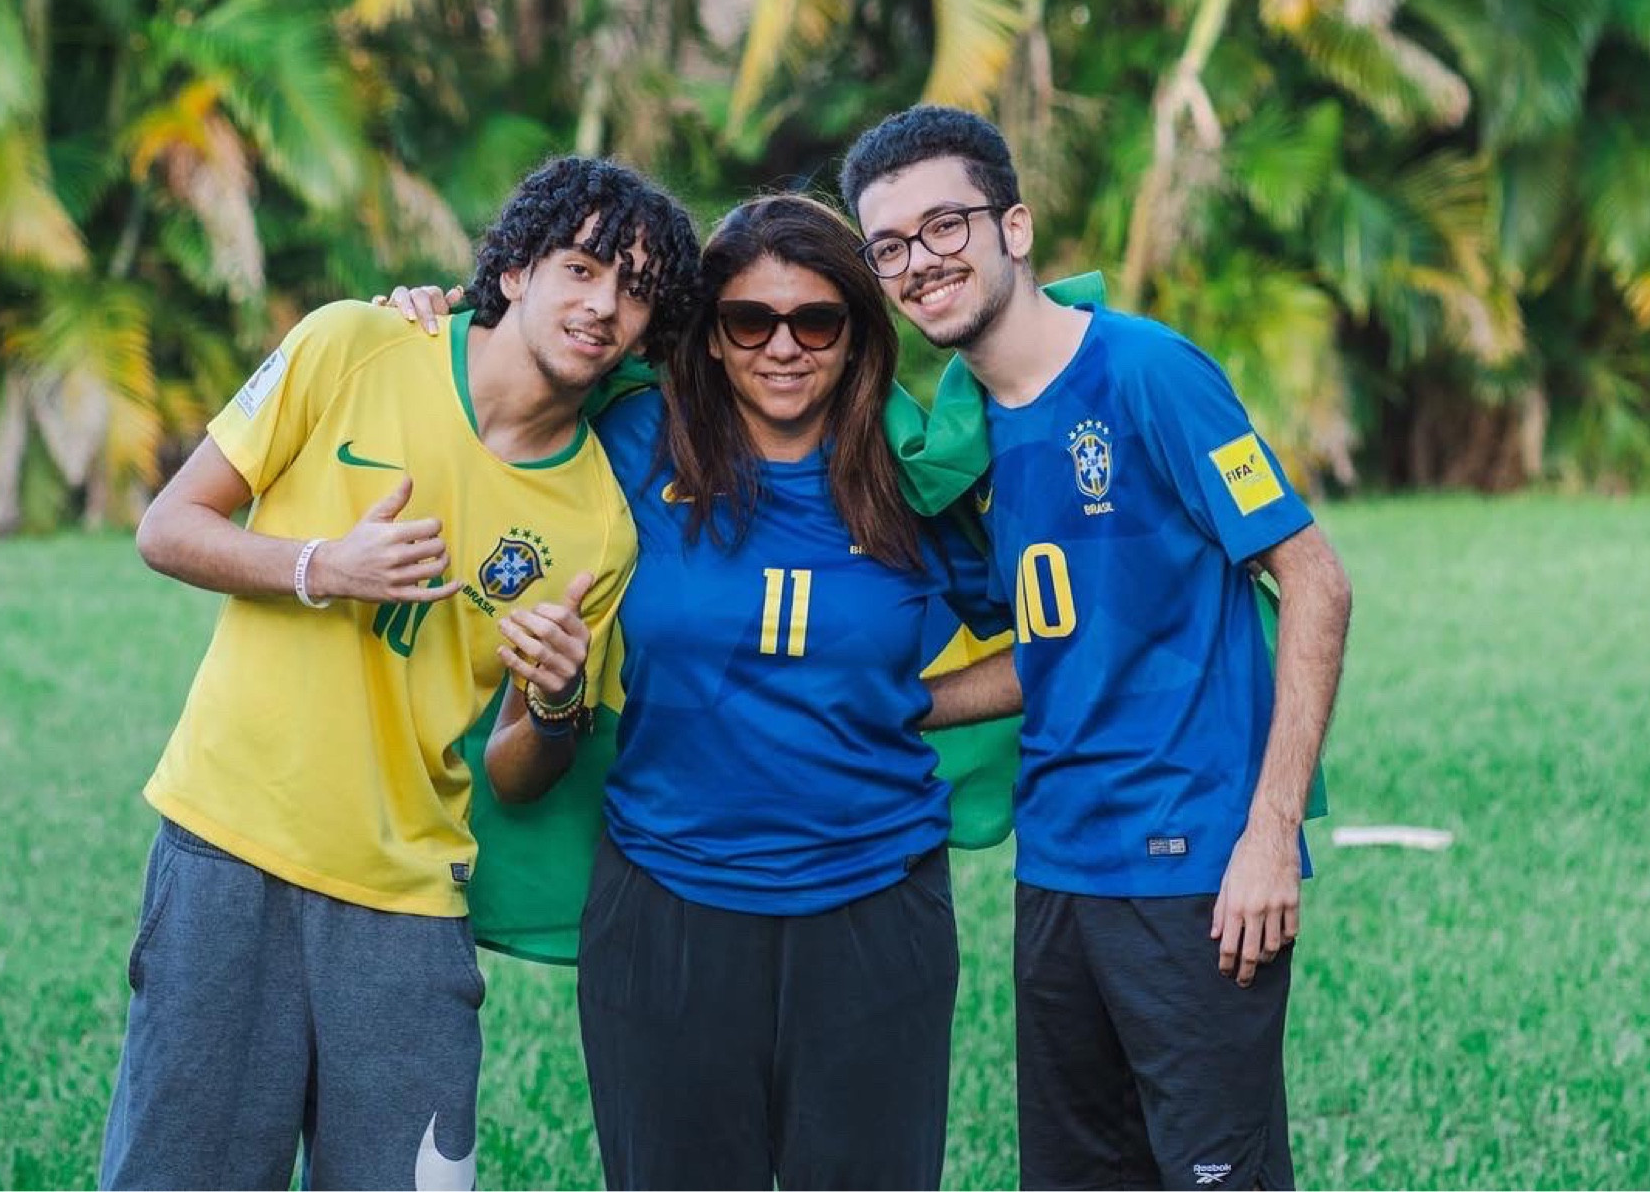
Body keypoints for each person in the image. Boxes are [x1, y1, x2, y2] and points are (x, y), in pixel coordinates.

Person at [97, 156, 704, 1191]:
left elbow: (519, 770)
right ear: (515, 271)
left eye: (636, 290)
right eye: (581, 267)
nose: (603, 304)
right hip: (229, 841)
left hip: (409, 896)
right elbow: (167, 527)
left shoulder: (598, 522)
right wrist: (319, 566)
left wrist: (555, 701)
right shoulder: (355, 344)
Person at [840, 105, 1354, 1191]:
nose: (919, 262)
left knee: (1216, 1173)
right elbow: (1050, 645)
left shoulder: (1144, 372)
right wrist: (900, 701)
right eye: (889, 247)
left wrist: (1266, 838)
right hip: (1058, 868)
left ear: (1012, 227)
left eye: (944, 226)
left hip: (1192, 869)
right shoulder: (967, 434)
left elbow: (1313, 579)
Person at [473, 194, 1021, 1190]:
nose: (782, 346)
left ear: (855, 335)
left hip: (875, 908)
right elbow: (504, 379)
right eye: (747, 321)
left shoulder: (912, 477)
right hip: (664, 909)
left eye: (815, 320)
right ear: (709, 337)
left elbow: (1056, 629)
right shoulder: (633, 438)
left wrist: (912, 702)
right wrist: (423, 316)